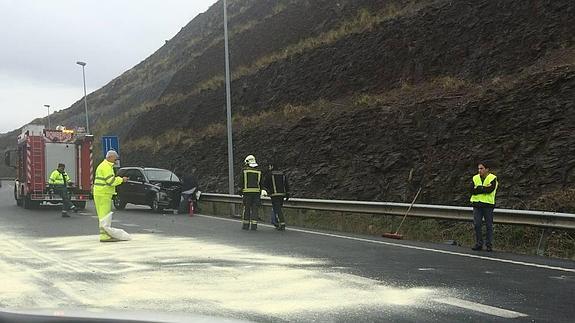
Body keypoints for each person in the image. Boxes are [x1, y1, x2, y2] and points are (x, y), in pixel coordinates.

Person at [93, 150, 130, 242]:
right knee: (104, 215)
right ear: (110, 157)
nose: (116, 160)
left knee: (102, 215)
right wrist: (121, 180)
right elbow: (111, 182)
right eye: (115, 158)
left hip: (100, 193)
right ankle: (104, 236)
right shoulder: (106, 167)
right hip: (103, 193)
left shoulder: (103, 166)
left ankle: (104, 234)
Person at [470, 162, 498, 252]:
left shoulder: (492, 178)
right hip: (477, 205)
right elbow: (471, 190)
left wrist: (478, 188)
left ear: (487, 169)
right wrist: (483, 188)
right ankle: (479, 243)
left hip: (488, 205)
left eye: (481, 168)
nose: (479, 171)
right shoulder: (475, 178)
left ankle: (489, 245)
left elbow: (490, 190)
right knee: (477, 224)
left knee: (488, 225)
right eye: (478, 169)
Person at [262, 162, 290, 231]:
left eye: (269, 166)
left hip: (274, 195)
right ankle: (275, 222)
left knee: (277, 209)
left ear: (272, 166)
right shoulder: (283, 174)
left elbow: (265, 184)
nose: (269, 168)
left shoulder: (269, 174)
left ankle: (281, 223)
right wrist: (288, 193)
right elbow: (286, 184)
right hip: (282, 194)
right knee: (278, 208)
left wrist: (267, 191)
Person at [238, 154, 262, 230]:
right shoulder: (259, 172)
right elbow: (261, 183)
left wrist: (240, 190)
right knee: (255, 209)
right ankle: (254, 225)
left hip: (247, 193)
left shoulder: (244, 171)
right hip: (257, 193)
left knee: (247, 208)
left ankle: (246, 225)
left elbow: (240, 182)